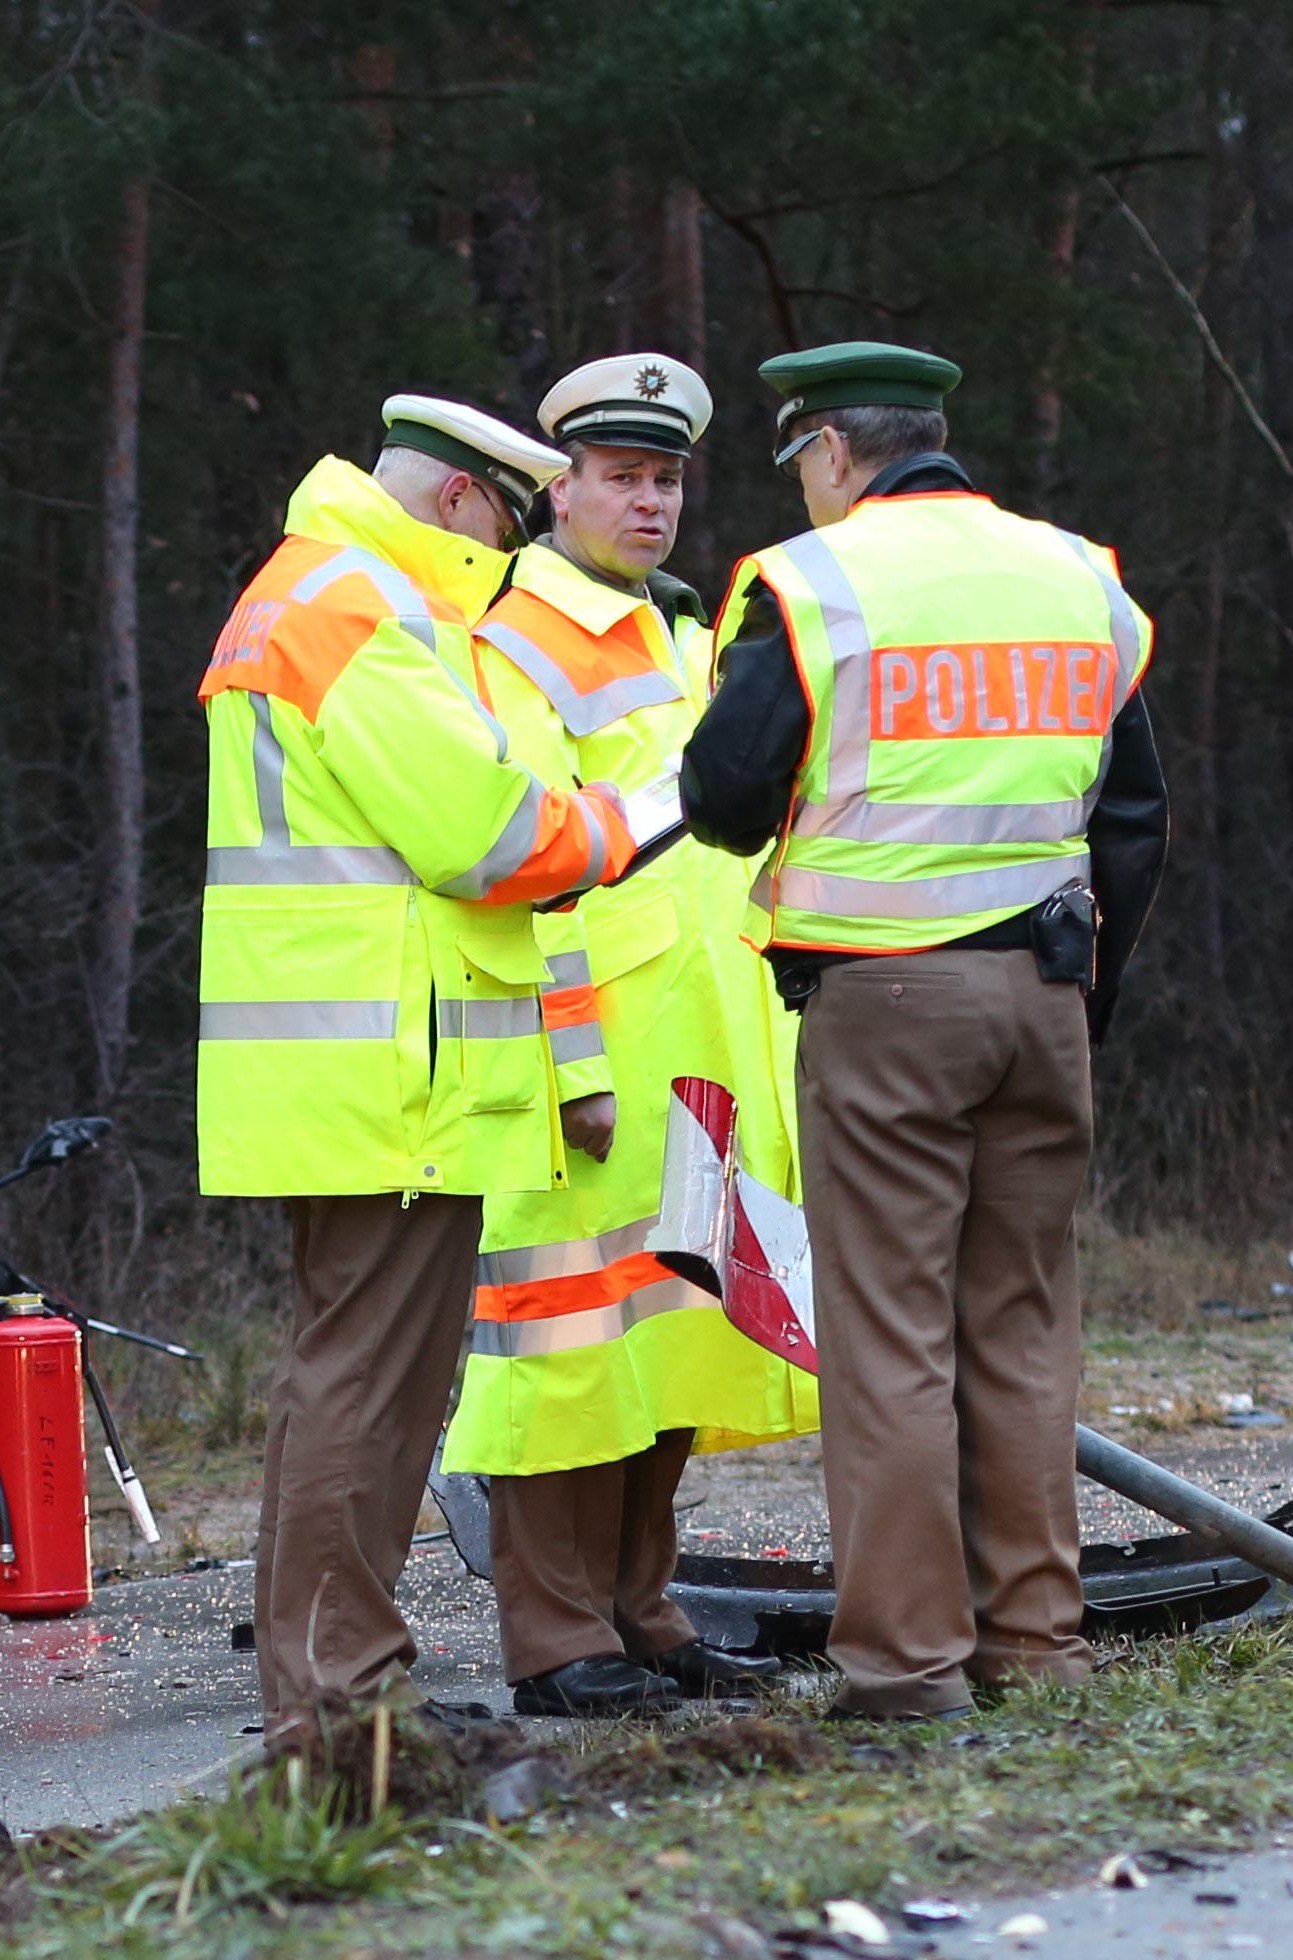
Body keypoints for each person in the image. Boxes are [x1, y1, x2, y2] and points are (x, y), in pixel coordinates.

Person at [674, 344, 1168, 1722]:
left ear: (832, 450)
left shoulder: (816, 584)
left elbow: (720, 792)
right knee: (1022, 1327)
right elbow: (1136, 816)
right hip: (1046, 994)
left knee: (891, 1335)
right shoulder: (1078, 578)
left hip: (886, 1002)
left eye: (805, 463)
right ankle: (1038, 1646)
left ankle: (906, 1667)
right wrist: (1082, 1000)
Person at [195, 393, 685, 1738]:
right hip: (385, 1075)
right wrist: (646, 810)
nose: (506, 552)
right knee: (368, 1388)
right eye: (507, 521)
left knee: (352, 1377)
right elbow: (492, 837)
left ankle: (337, 1683)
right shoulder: (357, 608)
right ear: (463, 499)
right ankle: (340, 1701)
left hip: (343, 1065)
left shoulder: (308, 591)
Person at [441, 350, 822, 1715]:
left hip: (703, 1040)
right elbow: (522, 866)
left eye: (666, 479)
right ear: (563, 489)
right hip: (600, 1051)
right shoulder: (518, 636)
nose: (650, 501)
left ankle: (641, 1611)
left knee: (669, 1335)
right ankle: (555, 1640)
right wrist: (572, 1066)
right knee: (564, 1351)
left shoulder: (685, 626)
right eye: (621, 477)